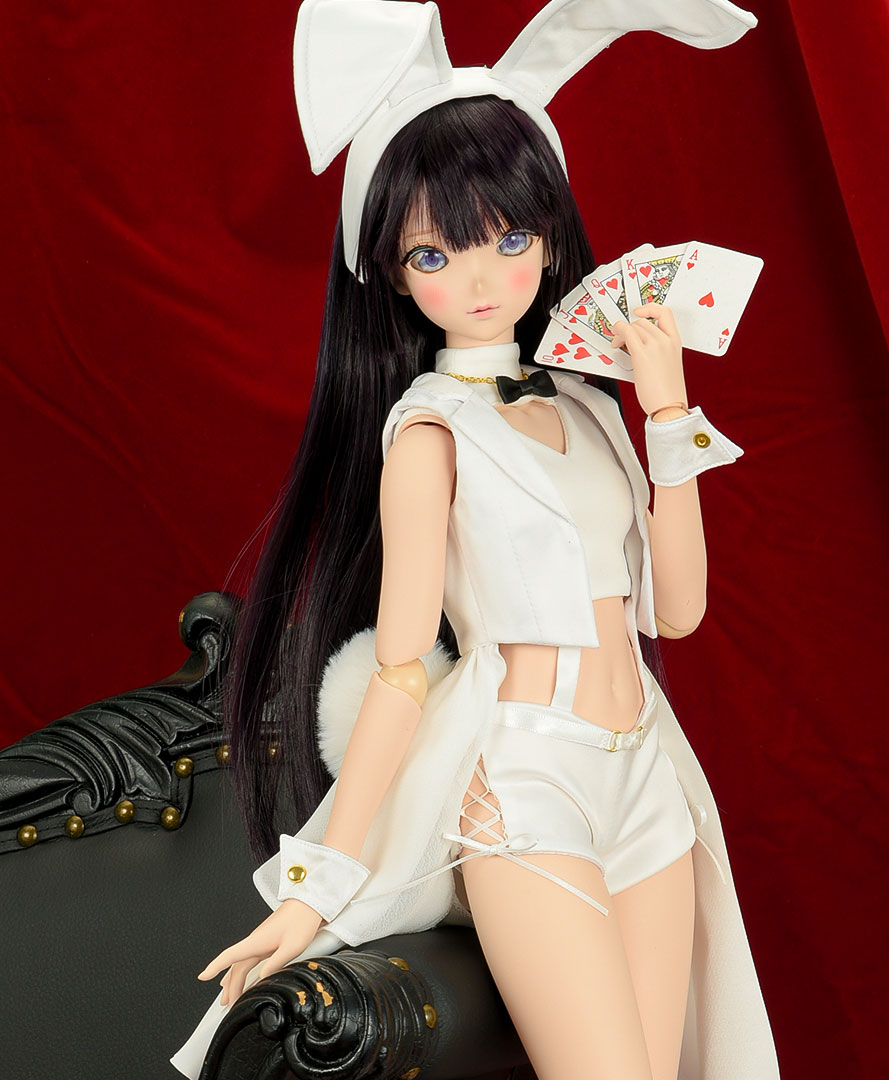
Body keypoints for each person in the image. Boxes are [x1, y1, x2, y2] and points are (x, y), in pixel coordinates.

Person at [173, 3, 778, 1078]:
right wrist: (315, 889)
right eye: (435, 253)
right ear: (390, 269)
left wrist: (666, 415)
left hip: (648, 772)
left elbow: (677, 613)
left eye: (510, 238)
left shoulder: (590, 409)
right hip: (529, 788)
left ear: (550, 234)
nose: (483, 279)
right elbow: (401, 672)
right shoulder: (429, 434)